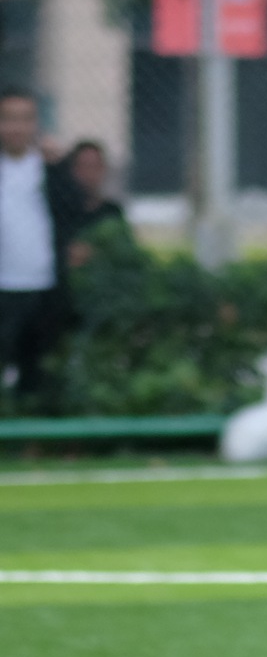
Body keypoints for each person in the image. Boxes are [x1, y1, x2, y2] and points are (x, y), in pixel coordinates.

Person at [0, 88, 75, 414]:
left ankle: (35, 436)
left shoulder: (50, 171)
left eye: (25, 119)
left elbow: (72, 212)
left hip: (43, 284)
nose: (16, 128)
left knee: (40, 366)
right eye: (8, 119)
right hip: (4, 284)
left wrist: (58, 165)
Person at [58, 140, 129, 271]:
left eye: (96, 166)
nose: (90, 174)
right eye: (84, 166)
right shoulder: (61, 212)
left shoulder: (112, 212)